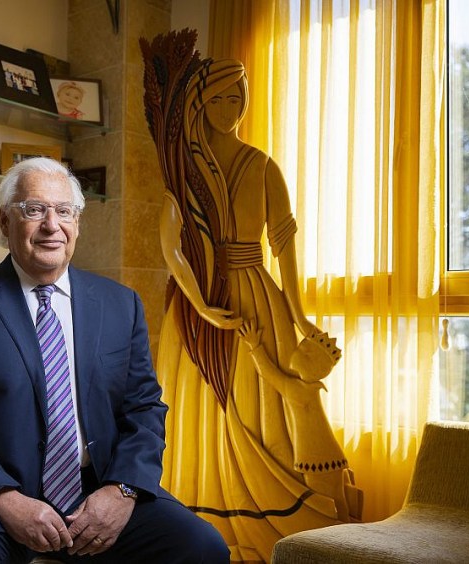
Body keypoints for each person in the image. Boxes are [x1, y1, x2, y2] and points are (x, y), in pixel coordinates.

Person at [0, 157, 229, 564]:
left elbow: (144, 408)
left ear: (76, 223)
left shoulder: (119, 304)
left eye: (64, 211)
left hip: (96, 495)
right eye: (34, 210)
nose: (51, 225)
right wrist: (5, 498)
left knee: (202, 548)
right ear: (5, 222)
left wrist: (121, 491)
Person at [149, 54, 347, 559]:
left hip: (256, 296)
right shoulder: (184, 170)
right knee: (198, 408)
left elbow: (284, 244)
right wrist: (200, 303)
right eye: (217, 98)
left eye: (236, 97)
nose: (228, 108)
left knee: (262, 409)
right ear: (198, 104)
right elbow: (171, 247)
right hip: (197, 305)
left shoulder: (260, 164)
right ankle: (197, 517)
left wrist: (299, 314)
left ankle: (272, 516)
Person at [237, 320, 351, 521]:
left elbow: (268, 374)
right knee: (337, 502)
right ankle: (346, 533)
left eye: (303, 349)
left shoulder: (300, 391)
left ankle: (338, 538)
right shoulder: (307, 389)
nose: (296, 350)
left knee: (326, 504)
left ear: (311, 362)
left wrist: (254, 346)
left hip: (318, 459)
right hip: (327, 456)